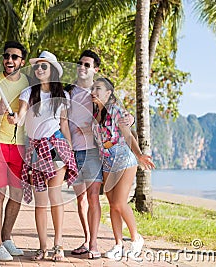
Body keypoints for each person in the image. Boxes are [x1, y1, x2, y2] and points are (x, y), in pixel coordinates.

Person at [8, 51, 78, 262]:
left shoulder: (62, 96)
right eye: (37, 66)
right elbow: (20, 116)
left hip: (56, 146)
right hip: (36, 150)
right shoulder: (28, 93)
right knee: (40, 202)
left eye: (44, 66)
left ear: (53, 70)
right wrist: (15, 120)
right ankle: (43, 246)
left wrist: (70, 150)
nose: (39, 69)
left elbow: (64, 124)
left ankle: (59, 245)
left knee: (55, 198)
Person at [67, 50, 134, 259]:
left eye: (87, 64)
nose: (82, 67)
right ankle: (87, 241)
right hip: (74, 151)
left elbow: (120, 112)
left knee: (93, 196)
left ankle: (95, 244)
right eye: (80, 63)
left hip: (95, 152)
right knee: (80, 200)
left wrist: (129, 119)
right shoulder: (69, 92)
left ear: (95, 69)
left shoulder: (99, 92)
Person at [91, 77, 155, 260]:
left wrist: (139, 154)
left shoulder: (116, 111)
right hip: (107, 163)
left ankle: (136, 239)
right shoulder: (96, 115)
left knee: (119, 202)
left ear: (109, 93)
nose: (94, 92)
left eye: (98, 89)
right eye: (93, 88)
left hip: (125, 161)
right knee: (112, 204)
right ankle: (118, 244)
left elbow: (127, 135)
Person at [0, 41, 29, 262]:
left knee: (17, 194)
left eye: (14, 57)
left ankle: (7, 237)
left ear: (22, 62)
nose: (9, 60)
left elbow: (26, 112)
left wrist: (18, 118)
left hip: (19, 145)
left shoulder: (27, 83)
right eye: (6, 56)